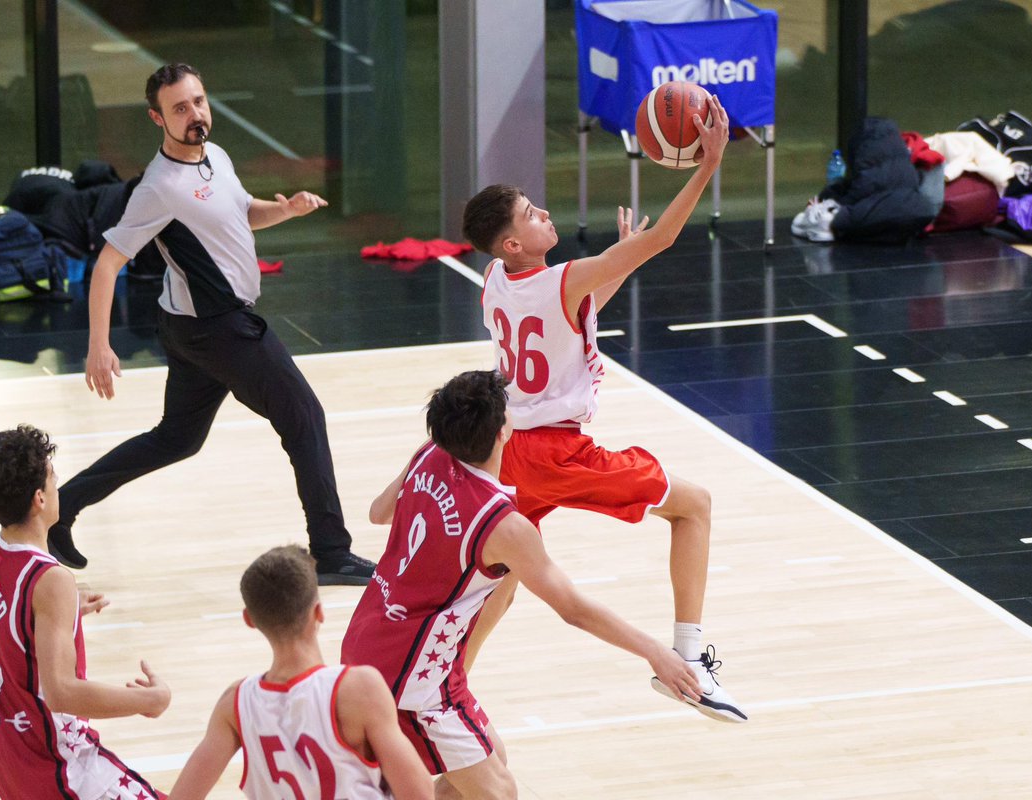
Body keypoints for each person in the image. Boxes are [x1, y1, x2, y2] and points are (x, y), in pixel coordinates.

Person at [461, 95, 746, 723]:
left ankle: (443, 690)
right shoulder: (560, 279)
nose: (545, 214)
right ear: (512, 242)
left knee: (502, 582)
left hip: (508, 452)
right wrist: (707, 165)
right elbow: (666, 238)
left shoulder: (495, 281)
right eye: (532, 214)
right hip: (556, 451)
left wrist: (618, 260)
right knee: (693, 505)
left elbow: (568, 315)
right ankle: (691, 659)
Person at [46, 63, 373, 586]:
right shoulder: (158, 188)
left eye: (199, 101)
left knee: (176, 438)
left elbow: (243, 212)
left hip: (189, 325)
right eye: (180, 108)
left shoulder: (214, 156)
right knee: (304, 416)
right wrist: (98, 346)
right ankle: (332, 552)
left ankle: (60, 510)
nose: (195, 114)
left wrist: (284, 209)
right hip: (219, 329)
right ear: (158, 118)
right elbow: (108, 263)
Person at [341, 370, 702, 798]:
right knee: (499, 791)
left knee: (488, 760)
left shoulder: (429, 454)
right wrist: (656, 652)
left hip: (368, 635)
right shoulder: (505, 526)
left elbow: (379, 512)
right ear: (503, 431)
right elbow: (574, 609)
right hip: (416, 677)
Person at [0, 425, 171, 800]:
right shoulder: (50, 580)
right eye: (54, 477)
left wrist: (53, 616)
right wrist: (149, 701)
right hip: (61, 766)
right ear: (40, 499)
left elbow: (5, 627)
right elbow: (61, 692)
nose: (59, 485)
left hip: (10, 761)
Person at [168, 546, 433, 800]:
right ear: (319, 612)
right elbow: (420, 794)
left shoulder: (234, 704)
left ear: (250, 620)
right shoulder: (358, 689)